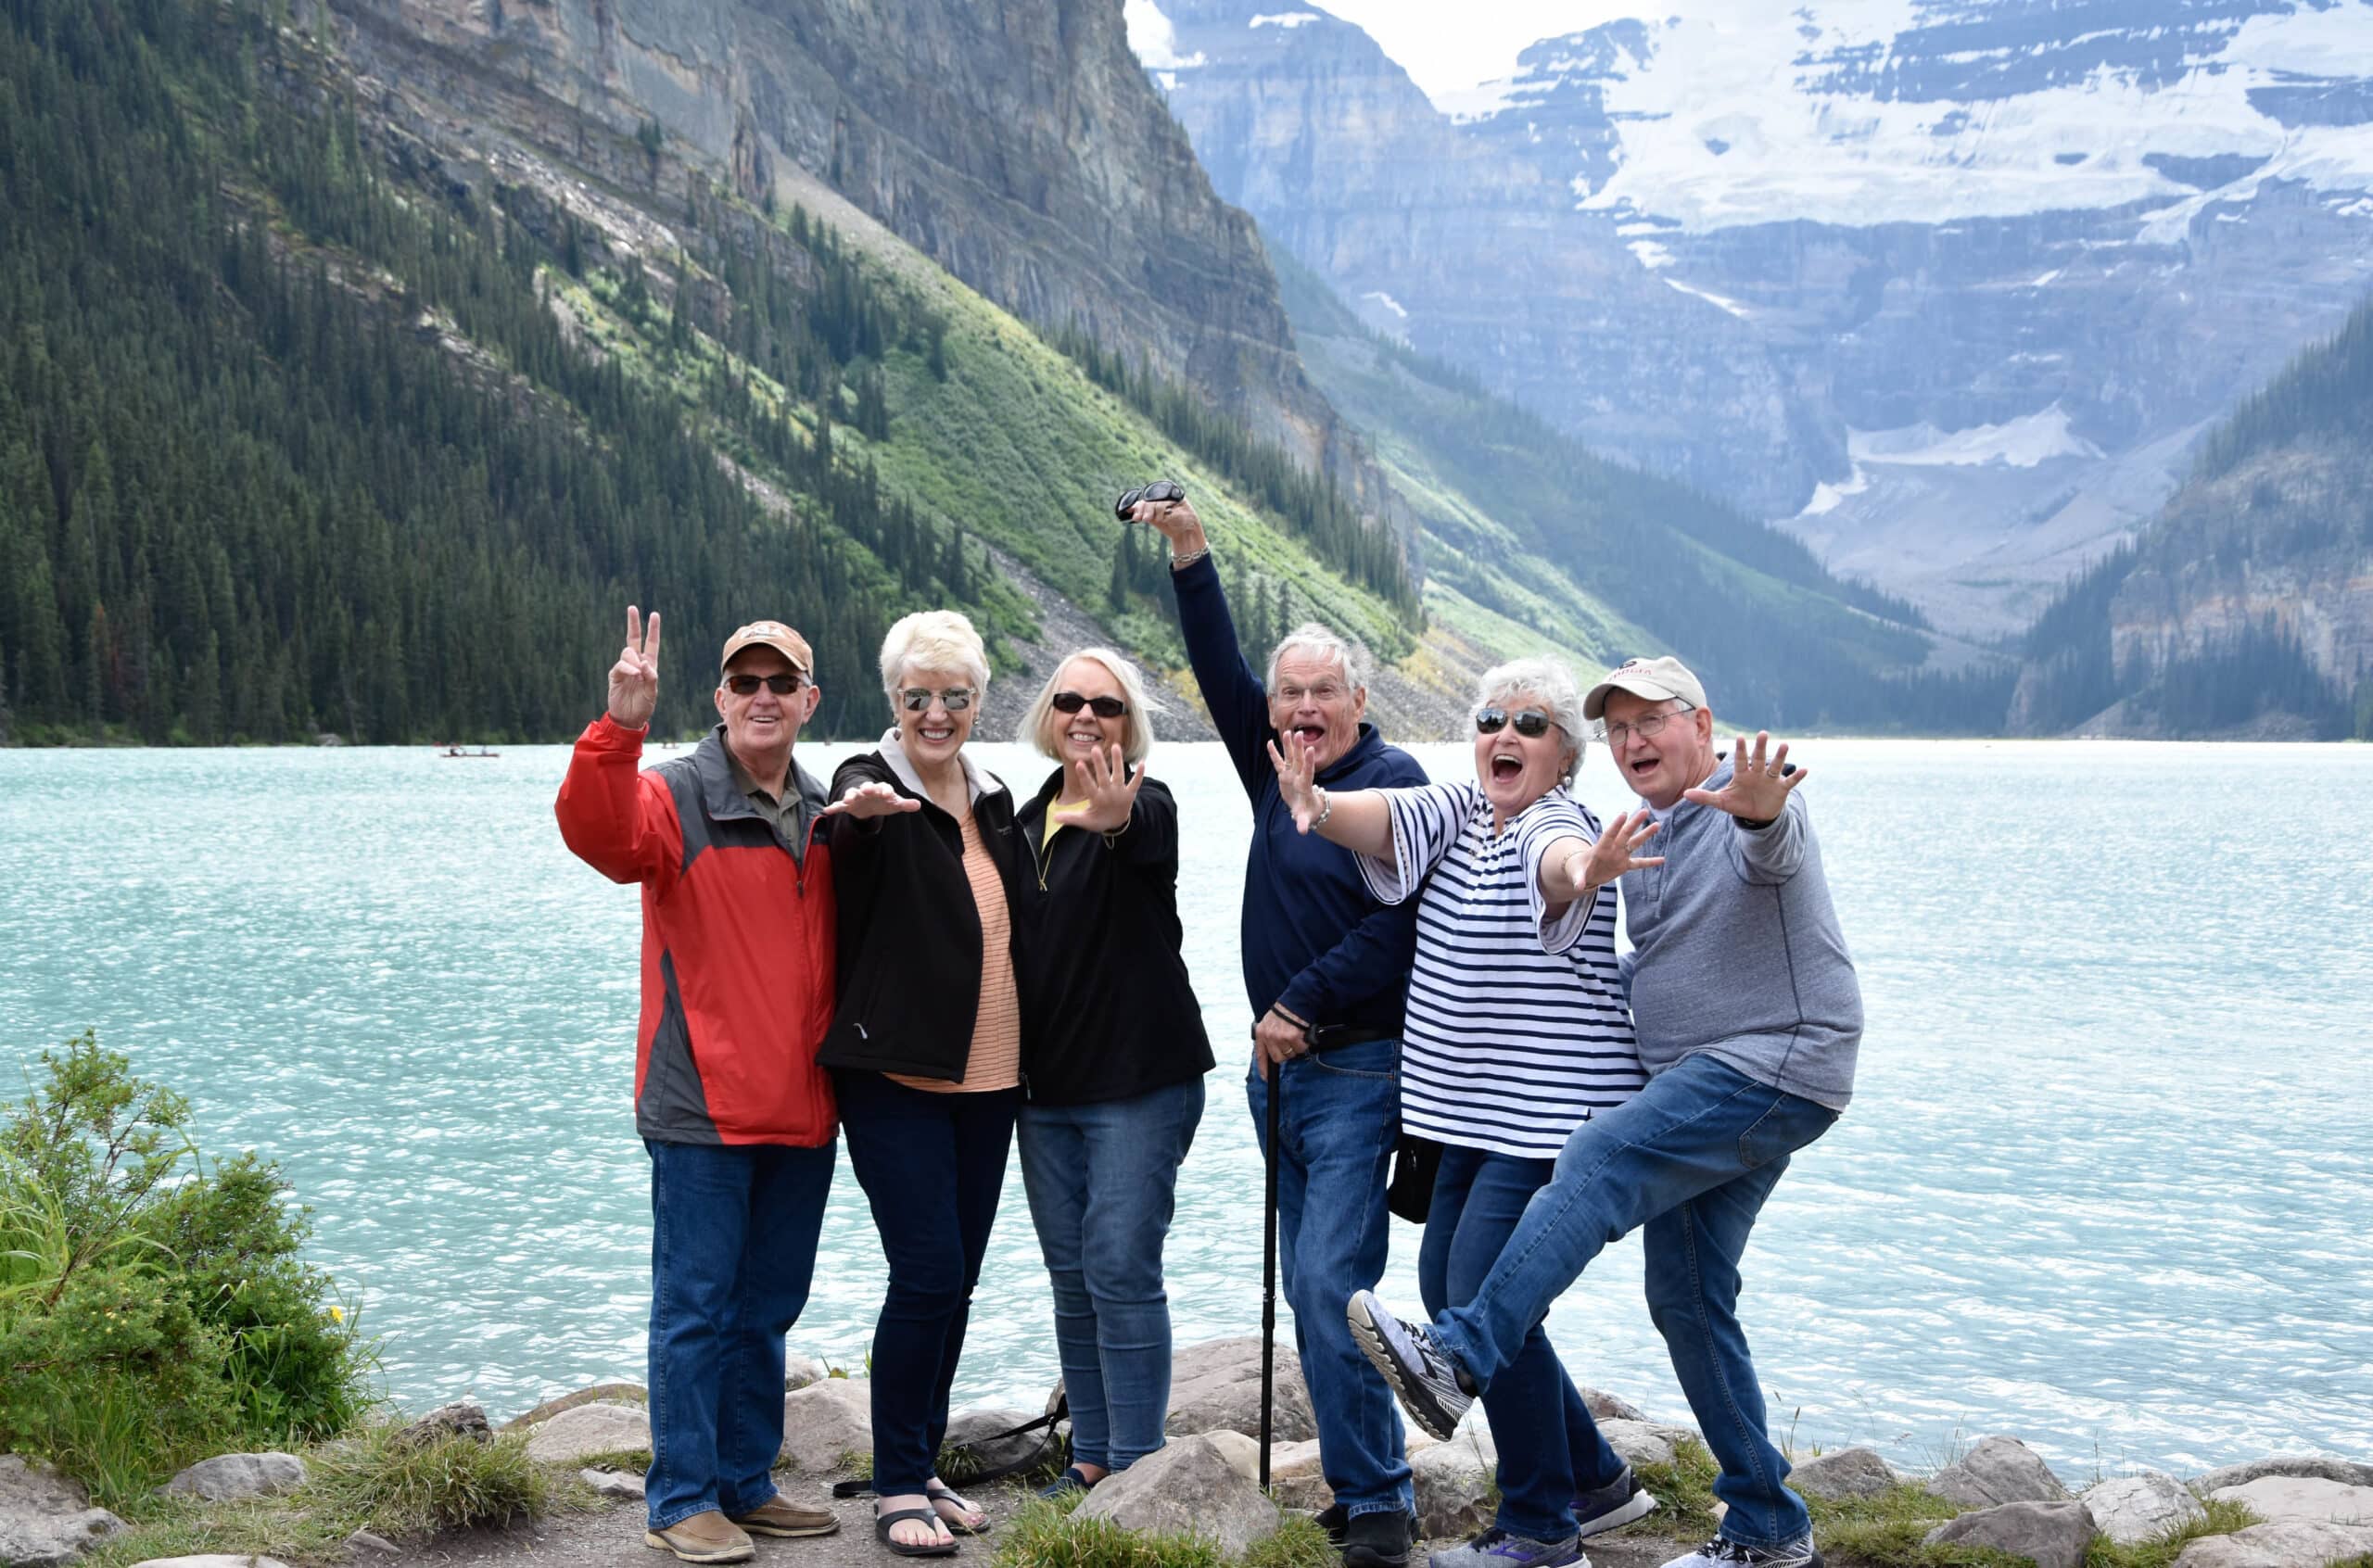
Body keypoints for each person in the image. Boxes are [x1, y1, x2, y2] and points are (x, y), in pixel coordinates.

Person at [1346, 656, 1863, 1568]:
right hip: (1711, 1081)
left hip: (1768, 1066)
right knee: (1687, 1297)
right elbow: (1661, 955)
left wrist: (1763, 809)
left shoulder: (1736, 799)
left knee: (1598, 1158)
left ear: (1700, 725)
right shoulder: (1645, 830)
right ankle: (1768, 1526)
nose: (1633, 743)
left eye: (1650, 722)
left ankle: (1459, 1358)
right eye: (1618, 729)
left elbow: (1772, 845)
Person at [1268, 657, 1663, 1568]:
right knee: (1458, 1287)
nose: (1505, 735)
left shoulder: (1553, 822)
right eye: (1491, 718)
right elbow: (1384, 820)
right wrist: (1319, 808)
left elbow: (1558, 868)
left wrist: (1591, 869)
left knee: (1478, 1292)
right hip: (1472, 1115)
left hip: (1554, 1114)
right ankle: (1595, 1480)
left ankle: (1539, 1525)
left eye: (1530, 724)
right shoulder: (1454, 810)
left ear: (1564, 755)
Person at [1132, 491, 1425, 1568]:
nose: (1301, 710)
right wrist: (1191, 554)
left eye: (1321, 694)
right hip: (1279, 1080)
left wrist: (1301, 1002)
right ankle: (1358, 1486)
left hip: (1353, 1069)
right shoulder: (1274, 769)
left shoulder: (1391, 788)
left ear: (1359, 698)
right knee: (1314, 1277)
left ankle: (1385, 1502)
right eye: (1287, 694)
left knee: (1325, 1282)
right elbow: (1217, 672)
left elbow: (1400, 930)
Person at [554, 610, 842, 1565]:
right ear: (719, 699)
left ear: (808, 699)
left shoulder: (830, 810)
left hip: (803, 1109)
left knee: (766, 1310)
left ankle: (745, 1483)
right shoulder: (671, 795)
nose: (761, 697)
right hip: (702, 1110)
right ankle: (681, 1498)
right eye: (743, 683)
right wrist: (618, 727)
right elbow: (597, 836)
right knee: (696, 1308)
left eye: (780, 683)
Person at [815, 610, 1028, 1559]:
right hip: (897, 1074)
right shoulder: (871, 784)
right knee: (928, 1271)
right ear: (892, 702)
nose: (934, 713)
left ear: (978, 701)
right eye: (916, 697)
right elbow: (847, 815)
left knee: (961, 1278)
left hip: (992, 1080)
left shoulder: (994, 798)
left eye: (953, 696)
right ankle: (897, 1480)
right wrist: (857, 811)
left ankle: (921, 1457)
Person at [1009, 649, 1215, 1496]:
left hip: (1139, 1083)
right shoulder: (1019, 821)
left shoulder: (1147, 805)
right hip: (1042, 1090)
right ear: (1048, 716)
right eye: (1070, 701)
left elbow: (1145, 838)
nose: (1086, 716)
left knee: (1122, 1268)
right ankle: (1090, 1454)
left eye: (1107, 705)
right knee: (1072, 1275)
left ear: (1132, 726)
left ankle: (1137, 1468)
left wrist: (1117, 815)